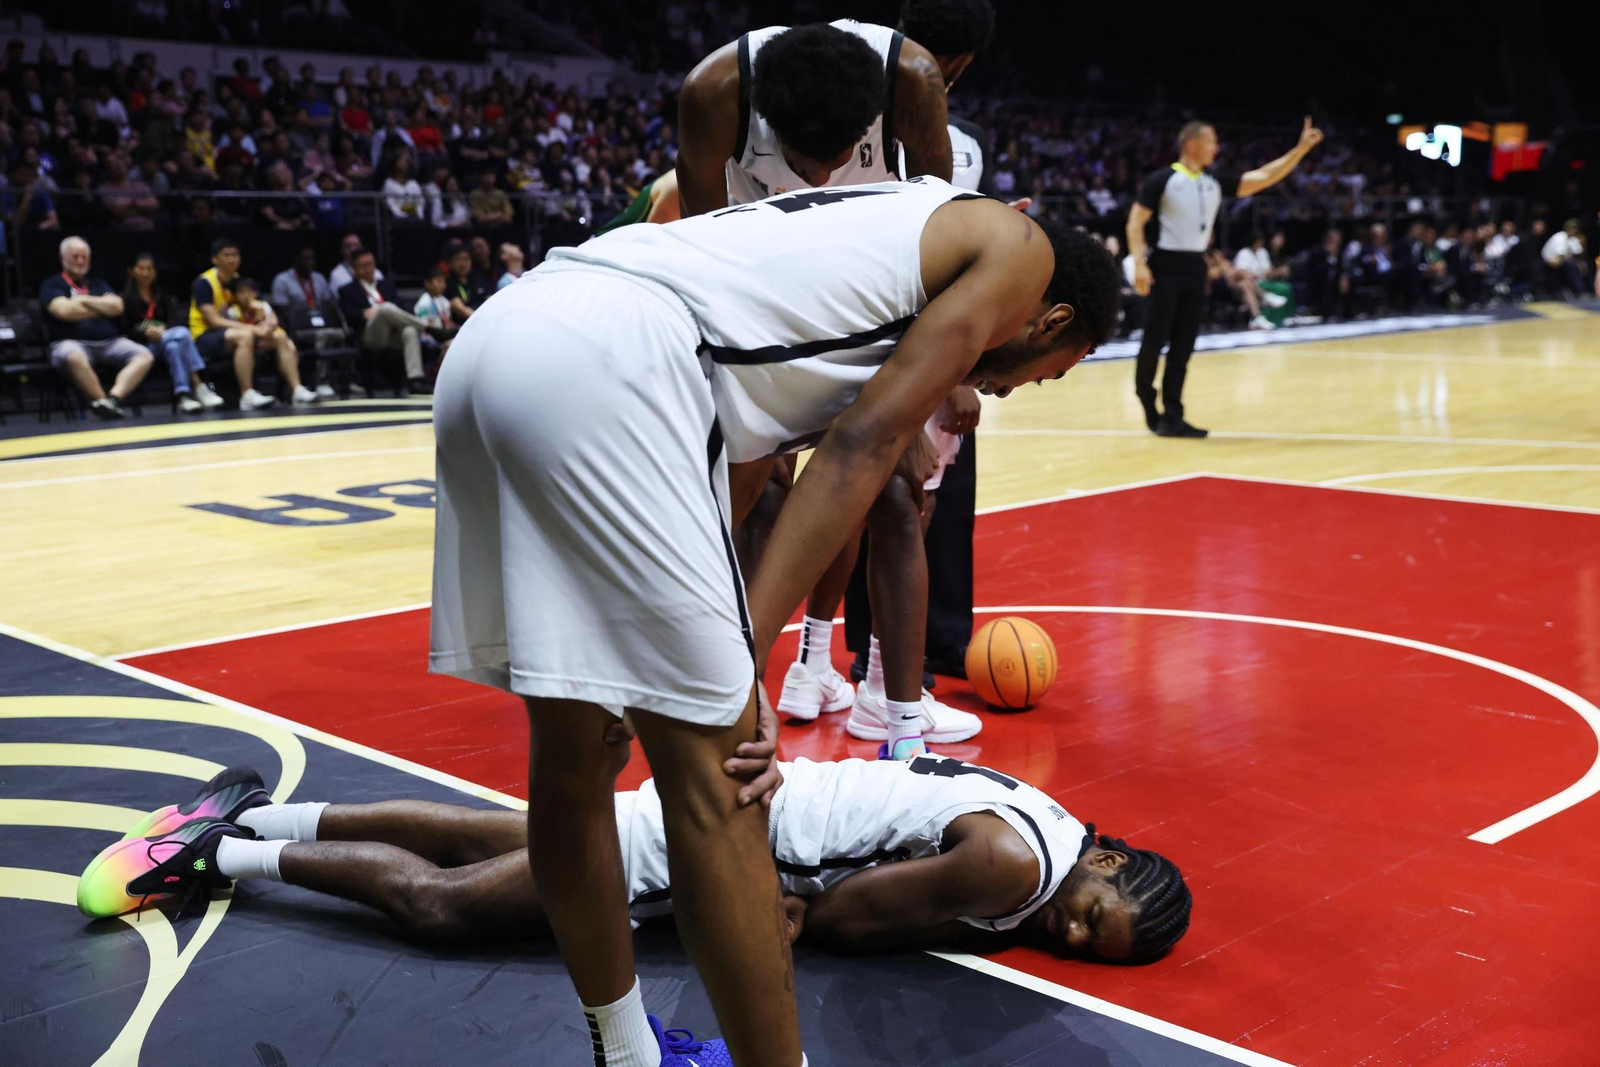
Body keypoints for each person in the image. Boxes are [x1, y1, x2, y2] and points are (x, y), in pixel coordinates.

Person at [426, 177, 1120, 1066]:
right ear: (1051, 320)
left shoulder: (876, 251)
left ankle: (626, 1051)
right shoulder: (1021, 254)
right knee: (723, 781)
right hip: (623, 366)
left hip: (506, 338)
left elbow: (742, 465)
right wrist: (742, 658)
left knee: (577, 750)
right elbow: (861, 448)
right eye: (1044, 374)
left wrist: (722, 639)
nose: (1015, 389)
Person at [79, 755, 1191, 969]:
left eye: (1097, 948)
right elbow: (847, 918)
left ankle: (270, 807)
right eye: (1098, 914)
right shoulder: (1013, 870)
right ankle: (218, 850)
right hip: (721, 839)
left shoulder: (1042, 814)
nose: (1076, 935)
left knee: (500, 830)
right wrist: (800, 914)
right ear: (1105, 865)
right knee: (448, 908)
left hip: (742, 797)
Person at [1127, 117, 1323, 437]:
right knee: (1153, 342)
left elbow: (1263, 177)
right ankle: (1149, 403)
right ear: (1191, 144)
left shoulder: (1213, 182)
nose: (1217, 148)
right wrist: (1138, 262)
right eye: (1211, 141)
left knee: (1183, 347)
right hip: (1165, 264)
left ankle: (1173, 415)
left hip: (1195, 267)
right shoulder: (1162, 180)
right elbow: (1135, 222)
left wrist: (1300, 149)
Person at [190, 237, 317, 410]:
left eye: (235, 255)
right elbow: (214, 321)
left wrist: (268, 324)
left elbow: (263, 308)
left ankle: (297, 390)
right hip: (205, 336)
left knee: (280, 337)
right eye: (226, 255)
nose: (232, 259)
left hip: (237, 332)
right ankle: (247, 394)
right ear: (215, 259)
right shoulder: (204, 283)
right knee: (246, 335)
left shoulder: (240, 281)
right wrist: (253, 328)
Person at [40, 236, 154, 419]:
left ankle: (113, 399)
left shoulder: (97, 283)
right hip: (70, 342)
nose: (80, 261)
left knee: (144, 355)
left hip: (110, 342)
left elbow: (118, 307)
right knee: (73, 355)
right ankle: (103, 402)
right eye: (75, 256)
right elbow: (63, 311)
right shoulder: (52, 284)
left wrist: (82, 300)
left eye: (84, 257)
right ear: (62, 259)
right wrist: (101, 308)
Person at [121, 252, 223, 414]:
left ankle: (183, 397)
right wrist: (145, 333)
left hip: (165, 342)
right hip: (143, 348)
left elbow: (173, 321)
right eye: (141, 268)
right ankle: (200, 386)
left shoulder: (161, 294)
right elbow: (124, 328)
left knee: (175, 347)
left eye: (149, 269)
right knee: (182, 334)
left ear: (155, 272)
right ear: (132, 271)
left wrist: (163, 330)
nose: (146, 273)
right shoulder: (125, 298)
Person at [337, 245, 433, 394]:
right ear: (354, 269)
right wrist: (374, 313)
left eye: (370, 264)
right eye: (363, 266)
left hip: (393, 333)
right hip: (370, 335)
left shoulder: (386, 286)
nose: (368, 269)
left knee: (409, 330)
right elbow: (350, 315)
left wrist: (375, 311)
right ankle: (429, 328)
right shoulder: (347, 290)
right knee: (386, 307)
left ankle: (415, 380)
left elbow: (400, 308)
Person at [270, 246, 334, 310]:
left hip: (318, 317)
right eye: (306, 259)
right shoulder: (282, 280)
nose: (310, 262)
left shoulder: (320, 278)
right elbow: (281, 309)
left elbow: (327, 304)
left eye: (312, 259)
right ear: (297, 259)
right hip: (294, 318)